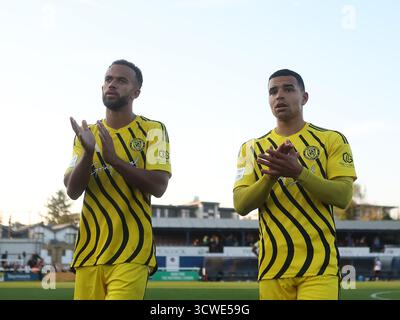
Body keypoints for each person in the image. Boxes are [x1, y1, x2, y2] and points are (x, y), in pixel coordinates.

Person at [233, 69, 357, 300]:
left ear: (304, 97)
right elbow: (241, 205)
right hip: (273, 269)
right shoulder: (250, 148)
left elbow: (342, 196)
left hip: (319, 266)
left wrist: (299, 172)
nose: (279, 95)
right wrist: (271, 176)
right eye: (273, 91)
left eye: (288, 89)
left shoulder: (331, 139)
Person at [64, 59, 171, 300]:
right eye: (108, 79)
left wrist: (115, 160)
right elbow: (72, 190)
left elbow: (159, 185)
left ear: (136, 92)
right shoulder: (85, 135)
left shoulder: (153, 130)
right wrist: (88, 153)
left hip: (131, 252)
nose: (112, 84)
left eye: (121, 80)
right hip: (88, 253)